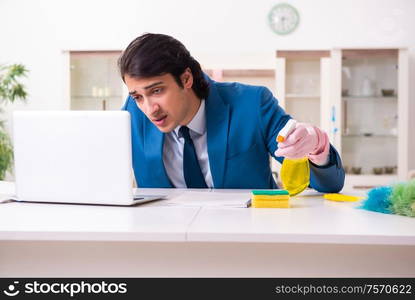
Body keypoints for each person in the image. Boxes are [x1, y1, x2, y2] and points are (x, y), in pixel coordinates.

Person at [119, 33, 345, 192]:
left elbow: (328, 185)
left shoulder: (252, 103)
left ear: (186, 79)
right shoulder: (132, 114)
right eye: (137, 96)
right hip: (168, 245)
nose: (149, 109)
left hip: (247, 239)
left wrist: (316, 146)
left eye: (157, 91)